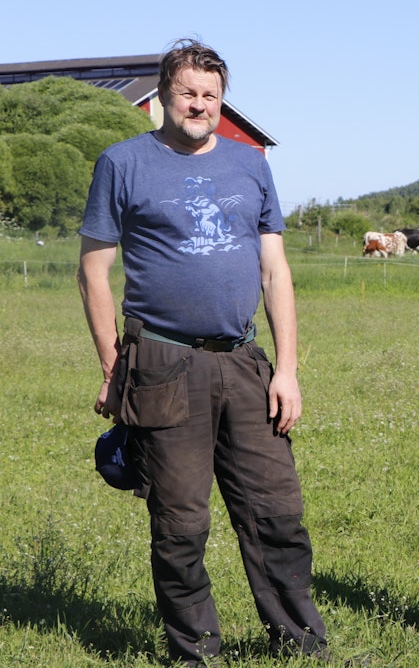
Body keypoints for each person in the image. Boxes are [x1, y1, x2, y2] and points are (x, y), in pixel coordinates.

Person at [78, 39, 328, 666]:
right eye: (188, 93)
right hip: (161, 363)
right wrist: (114, 370)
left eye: (211, 96)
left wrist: (288, 371)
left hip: (244, 363)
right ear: (165, 94)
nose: (200, 105)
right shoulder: (123, 163)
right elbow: (93, 271)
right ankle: (195, 653)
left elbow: (275, 271)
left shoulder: (251, 166)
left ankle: (299, 645)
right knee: (181, 525)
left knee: (277, 514)